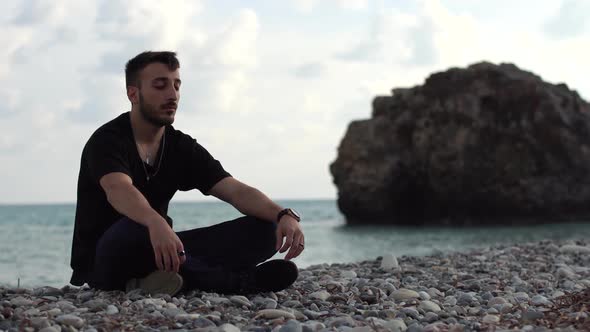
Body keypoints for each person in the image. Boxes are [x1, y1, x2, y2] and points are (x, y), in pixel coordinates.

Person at [69, 51, 305, 296]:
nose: (172, 95)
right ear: (133, 94)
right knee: (133, 227)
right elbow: (118, 189)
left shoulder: (180, 146)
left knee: (266, 228)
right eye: (160, 86)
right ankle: (238, 282)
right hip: (107, 257)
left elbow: (234, 190)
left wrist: (282, 215)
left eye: (176, 86)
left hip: (159, 249)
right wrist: (154, 222)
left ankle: (157, 281)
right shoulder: (107, 140)